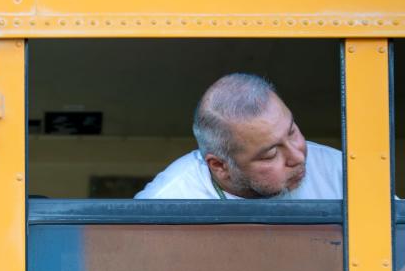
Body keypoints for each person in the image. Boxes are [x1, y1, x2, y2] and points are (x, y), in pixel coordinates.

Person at [134, 73, 343, 200]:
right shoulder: (166, 202)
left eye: (292, 131)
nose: (298, 156)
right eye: (270, 154)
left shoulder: (341, 173)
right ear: (219, 166)